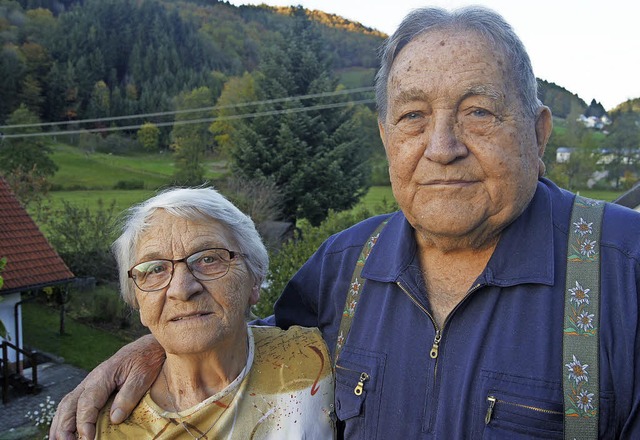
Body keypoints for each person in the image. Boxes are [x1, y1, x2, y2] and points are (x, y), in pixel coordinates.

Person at [51, 6, 640, 439]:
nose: (441, 147)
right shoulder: (342, 266)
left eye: (479, 112)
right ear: (386, 138)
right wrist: (152, 351)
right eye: (411, 117)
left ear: (538, 134)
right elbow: (241, 338)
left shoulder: (625, 271)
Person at [90, 187, 334, 439]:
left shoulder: (315, 356)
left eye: (208, 259)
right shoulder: (103, 428)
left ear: (254, 280)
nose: (182, 289)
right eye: (155, 269)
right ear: (137, 300)